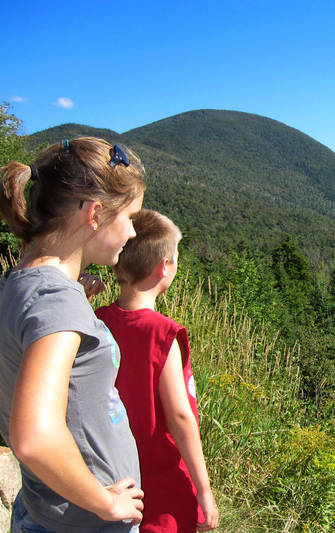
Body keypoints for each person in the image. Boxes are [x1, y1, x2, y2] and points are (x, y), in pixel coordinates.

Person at [0, 137, 146, 532]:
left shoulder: (19, 283)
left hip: (44, 508)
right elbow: (33, 436)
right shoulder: (54, 302)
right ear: (95, 214)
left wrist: (73, 302)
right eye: (130, 216)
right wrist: (105, 503)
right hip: (82, 522)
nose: (132, 232)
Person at [95, 209, 219, 533]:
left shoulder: (97, 320)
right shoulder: (163, 334)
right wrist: (204, 490)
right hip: (162, 490)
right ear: (164, 267)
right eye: (175, 258)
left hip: (115, 482)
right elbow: (180, 416)